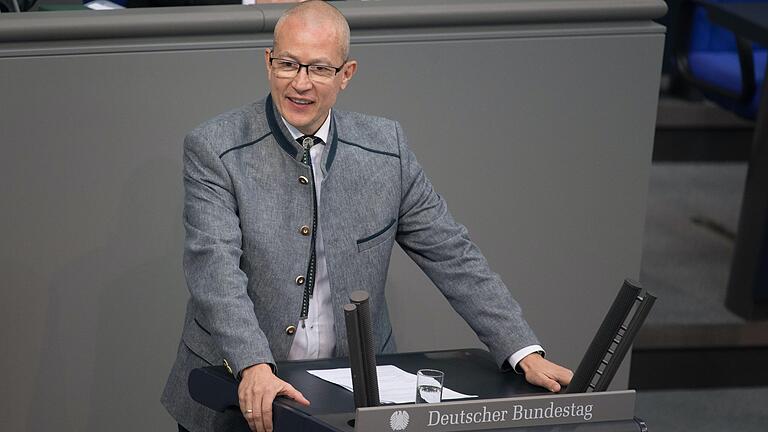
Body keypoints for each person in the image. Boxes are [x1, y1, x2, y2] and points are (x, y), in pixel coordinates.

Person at [162, 2, 573, 431]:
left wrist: (521, 349)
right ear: (268, 62)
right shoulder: (214, 147)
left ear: (346, 74)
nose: (300, 83)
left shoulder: (387, 149)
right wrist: (253, 364)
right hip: (238, 389)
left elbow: (452, 254)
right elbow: (214, 270)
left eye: (319, 69)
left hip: (350, 397)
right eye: (287, 64)